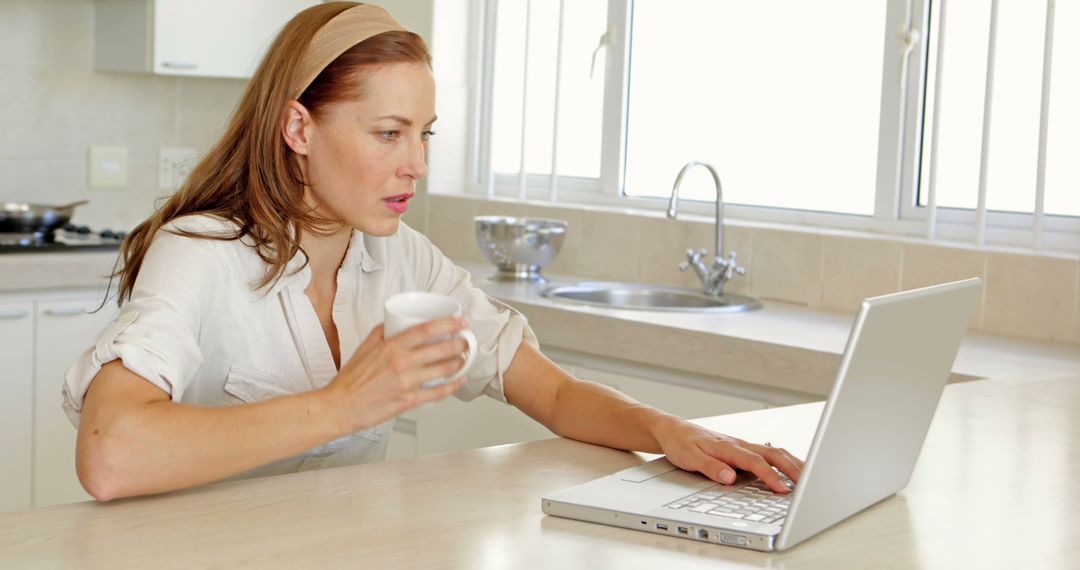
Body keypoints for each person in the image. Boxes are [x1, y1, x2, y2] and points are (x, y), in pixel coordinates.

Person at [63, 2, 803, 501]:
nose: (416, 163)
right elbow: (109, 454)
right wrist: (340, 406)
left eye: (426, 134)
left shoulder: (401, 259)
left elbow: (547, 389)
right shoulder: (202, 250)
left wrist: (669, 431)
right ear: (298, 129)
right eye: (389, 133)